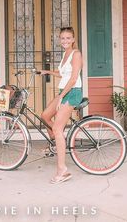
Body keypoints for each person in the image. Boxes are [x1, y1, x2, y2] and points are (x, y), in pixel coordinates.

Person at [40, 27, 83, 184]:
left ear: (73, 39)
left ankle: (62, 170)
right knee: (45, 116)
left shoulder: (76, 54)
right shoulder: (65, 54)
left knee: (57, 128)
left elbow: (73, 79)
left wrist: (61, 97)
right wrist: (47, 72)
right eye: (62, 38)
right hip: (64, 92)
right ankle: (57, 142)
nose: (65, 41)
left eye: (68, 38)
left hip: (72, 93)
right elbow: (62, 74)